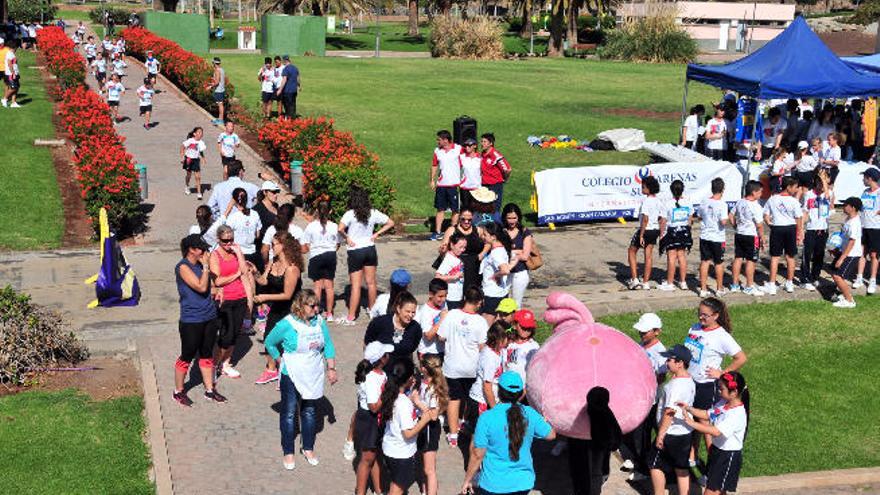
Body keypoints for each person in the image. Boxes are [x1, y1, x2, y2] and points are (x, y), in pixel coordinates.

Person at [265, 289, 338, 469]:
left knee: (310, 411)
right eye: (312, 306)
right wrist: (278, 358)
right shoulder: (287, 324)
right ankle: (288, 451)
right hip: (291, 374)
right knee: (289, 413)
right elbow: (269, 341)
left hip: (313, 373)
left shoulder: (319, 322)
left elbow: (328, 344)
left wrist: (331, 368)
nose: (316, 309)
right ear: (300, 305)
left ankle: (308, 448)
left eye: (317, 305)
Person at [461, 371, 556, 495]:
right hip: (523, 483)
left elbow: (477, 454)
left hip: (493, 484)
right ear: (521, 393)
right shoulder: (530, 413)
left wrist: (467, 480)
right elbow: (551, 435)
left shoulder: (487, 417)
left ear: (499, 392)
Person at [684, 297, 747, 465]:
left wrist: (722, 373)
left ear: (716, 316)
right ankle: (693, 455)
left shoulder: (721, 336)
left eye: (705, 315)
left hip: (706, 385)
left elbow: (740, 358)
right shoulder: (695, 328)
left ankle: (712, 463)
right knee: (694, 417)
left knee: (705, 422)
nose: (701, 318)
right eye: (699, 314)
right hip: (690, 381)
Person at [172, 234, 227, 406]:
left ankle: (210, 390)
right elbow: (200, 286)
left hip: (209, 316)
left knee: (206, 353)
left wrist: (217, 290)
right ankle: (178, 391)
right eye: (201, 249)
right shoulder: (183, 267)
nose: (205, 252)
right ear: (191, 250)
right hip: (191, 319)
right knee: (187, 355)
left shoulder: (201, 267)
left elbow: (208, 288)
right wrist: (205, 266)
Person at [679, 371, 750, 495]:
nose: (718, 391)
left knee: (712, 490)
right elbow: (707, 414)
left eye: (721, 389)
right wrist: (688, 408)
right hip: (717, 451)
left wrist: (692, 423)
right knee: (718, 490)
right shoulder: (724, 404)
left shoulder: (736, 414)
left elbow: (716, 432)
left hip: (727, 457)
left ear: (734, 393)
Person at [437, 287, 489, 447]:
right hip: (472, 367)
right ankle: (464, 423)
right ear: (479, 302)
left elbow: (440, 337)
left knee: (454, 399)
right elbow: (482, 347)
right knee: (468, 398)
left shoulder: (452, 314)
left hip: (452, 366)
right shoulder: (481, 321)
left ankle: (453, 435)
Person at [338, 187, 395, 325]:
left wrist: (347, 238)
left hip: (355, 251)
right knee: (371, 283)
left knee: (356, 285)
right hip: (370, 249)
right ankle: (372, 311)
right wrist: (377, 234)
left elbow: (340, 229)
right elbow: (390, 222)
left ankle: (351, 317)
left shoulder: (350, 214)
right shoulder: (373, 213)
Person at [253, 231, 303, 384]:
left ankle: (289, 375)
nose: (271, 247)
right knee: (269, 338)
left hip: (291, 310)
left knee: (289, 343)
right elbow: (264, 281)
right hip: (277, 308)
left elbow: (287, 295)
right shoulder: (273, 262)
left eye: (274, 244)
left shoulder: (292, 269)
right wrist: (254, 272)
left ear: (284, 246)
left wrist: (264, 298)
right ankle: (271, 369)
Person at [620, 313, 666, 481]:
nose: (641, 334)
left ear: (656, 332)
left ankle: (645, 469)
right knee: (635, 431)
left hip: (651, 400)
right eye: (640, 331)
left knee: (643, 435)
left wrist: (643, 376)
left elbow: (661, 376)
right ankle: (635, 459)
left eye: (645, 332)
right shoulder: (641, 344)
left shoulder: (660, 351)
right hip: (637, 396)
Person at [380, 359, 435, 495]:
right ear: (409, 378)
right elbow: (408, 434)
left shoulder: (392, 394)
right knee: (397, 488)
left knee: (395, 483)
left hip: (390, 448)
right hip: (401, 453)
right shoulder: (403, 403)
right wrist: (424, 420)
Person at [648, 344, 695, 495]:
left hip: (671, 433)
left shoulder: (676, 386)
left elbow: (670, 412)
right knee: (681, 468)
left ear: (680, 363)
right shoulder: (689, 380)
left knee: (655, 464)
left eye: (670, 359)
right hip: (684, 433)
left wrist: (661, 434)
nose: (666, 362)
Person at [209, 225, 253, 379]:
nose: (228, 244)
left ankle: (226, 363)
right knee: (225, 336)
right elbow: (218, 280)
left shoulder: (234, 253)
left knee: (235, 335)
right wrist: (236, 275)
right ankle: (214, 365)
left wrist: (239, 252)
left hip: (240, 297)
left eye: (231, 240)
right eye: (225, 241)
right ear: (218, 239)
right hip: (225, 299)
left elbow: (245, 271)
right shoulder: (214, 256)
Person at [353, 341, 393, 495]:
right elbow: (373, 407)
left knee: (375, 457)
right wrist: (388, 393)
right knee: (367, 460)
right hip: (369, 420)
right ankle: (360, 491)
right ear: (381, 359)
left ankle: (378, 490)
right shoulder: (370, 378)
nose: (389, 356)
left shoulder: (381, 374)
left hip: (376, 420)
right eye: (386, 354)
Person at [568, 387, 622, 495]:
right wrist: (609, 445)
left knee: (581, 473)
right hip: (598, 449)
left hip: (585, 447)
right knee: (595, 474)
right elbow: (616, 436)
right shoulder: (607, 413)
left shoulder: (584, 413)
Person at [763, 177, 804, 295]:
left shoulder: (772, 199)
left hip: (777, 228)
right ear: (788, 187)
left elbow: (766, 215)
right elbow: (799, 218)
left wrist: (770, 224)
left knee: (775, 257)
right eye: (795, 187)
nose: (796, 190)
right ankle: (789, 283)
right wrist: (800, 233)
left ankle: (772, 284)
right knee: (790, 256)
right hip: (790, 228)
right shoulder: (794, 201)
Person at [302, 201, 340, 320]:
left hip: (316, 256)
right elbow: (337, 244)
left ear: (317, 211)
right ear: (331, 211)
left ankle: (317, 313)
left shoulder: (311, 226)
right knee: (329, 287)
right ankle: (329, 314)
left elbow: (306, 244)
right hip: (330, 255)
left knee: (317, 287)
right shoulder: (334, 226)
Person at [417, 355, 448, 495]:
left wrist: (417, 402)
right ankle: (425, 490)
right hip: (422, 425)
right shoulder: (423, 382)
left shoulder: (433, 389)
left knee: (429, 469)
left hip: (430, 428)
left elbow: (434, 415)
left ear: (424, 368)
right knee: (424, 465)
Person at [467, 322, 509, 425]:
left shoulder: (501, 351)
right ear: (499, 339)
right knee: (479, 435)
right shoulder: (489, 358)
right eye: (507, 338)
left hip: (493, 399)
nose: (509, 340)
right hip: (482, 401)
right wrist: (494, 408)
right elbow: (487, 386)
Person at [363, 291, 421, 365]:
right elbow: (367, 343)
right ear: (398, 309)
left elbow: (412, 349)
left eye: (413, 312)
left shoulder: (415, 328)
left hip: (401, 370)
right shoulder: (380, 322)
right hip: (380, 368)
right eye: (407, 311)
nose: (410, 315)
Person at [440, 207, 487, 295]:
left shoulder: (478, 230)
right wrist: (443, 250)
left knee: (472, 292)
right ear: (459, 217)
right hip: (457, 264)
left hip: (474, 264)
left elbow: (489, 242)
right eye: (463, 219)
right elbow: (444, 248)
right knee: (457, 292)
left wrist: (482, 253)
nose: (466, 222)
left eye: (469, 220)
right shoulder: (452, 230)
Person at [627, 176, 663, 290]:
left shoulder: (647, 201)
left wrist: (641, 234)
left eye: (643, 187)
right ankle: (646, 282)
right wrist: (660, 231)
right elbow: (661, 218)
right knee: (648, 255)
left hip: (646, 229)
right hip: (655, 229)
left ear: (648, 188)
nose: (641, 188)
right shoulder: (658, 200)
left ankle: (635, 280)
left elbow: (645, 219)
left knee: (632, 251)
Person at [729, 181, 765, 296]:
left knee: (738, 258)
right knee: (751, 260)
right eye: (760, 192)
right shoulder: (756, 206)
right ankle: (749, 286)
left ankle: (734, 284)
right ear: (754, 192)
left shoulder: (740, 202)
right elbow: (759, 225)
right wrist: (762, 238)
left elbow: (731, 215)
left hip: (739, 234)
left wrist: (736, 226)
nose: (761, 194)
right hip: (751, 235)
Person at [801, 171, 833, 290]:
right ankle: (805, 278)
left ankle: (815, 277)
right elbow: (805, 211)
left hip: (823, 229)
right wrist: (801, 229)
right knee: (807, 255)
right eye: (818, 181)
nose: (820, 184)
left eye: (822, 181)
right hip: (811, 228)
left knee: (819, 255)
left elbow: (828, 197)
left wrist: (824, 180)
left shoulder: (828, 193)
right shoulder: (808, 194)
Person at [658, 180, 693, 291]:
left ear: (671, 190)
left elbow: (663, 221)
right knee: (682, 257)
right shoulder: (688, 202)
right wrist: (687, 229)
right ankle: (683, 282)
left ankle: (670, 283)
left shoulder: (667, 203)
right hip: (684, 231)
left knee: (671, 257)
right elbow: (690, 219)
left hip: (671, 232)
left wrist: (661, 234)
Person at [698, 178, 729, 297]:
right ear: (722, 190)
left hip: (705, 236)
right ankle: (719, 288)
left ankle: (703, 289)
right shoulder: (722, 204)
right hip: (717, 237)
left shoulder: (704, 201)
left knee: (705, 262)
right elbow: (723, 222)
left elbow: (700, 216)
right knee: (718, 263)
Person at [831, 197, 864, 308]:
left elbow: (852, 241)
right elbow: (844, 237)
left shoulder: (855, 223)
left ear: (853, 208)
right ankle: (843, 294)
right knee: (834, 272)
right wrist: (837, 249)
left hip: (851, 254)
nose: (843, 207)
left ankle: (849, 301)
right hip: (844, 252)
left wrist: (842, 258)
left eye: (845, 205)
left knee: (838, 276)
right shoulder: (848, 220)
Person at [430, 130, 463, 240]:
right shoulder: (437, 151)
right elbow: (434, 165)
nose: (437, 141)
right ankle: (438, 232)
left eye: (439, 139)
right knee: (440, 209)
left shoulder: (458, 149)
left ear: (446, 140)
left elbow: (466, 162)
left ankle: (453, 232)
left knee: (455, 209)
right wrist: (432, 180)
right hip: (441, 185)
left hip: (454, 185)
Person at [223, 188, 263, 271]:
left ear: (234, 200)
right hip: (253, 253)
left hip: (238, 255)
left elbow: (226, 236)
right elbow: (257, 235)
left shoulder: (232, 218)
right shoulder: (255, 214)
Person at [480, 222, 513, 322]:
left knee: (487, 325)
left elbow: (505, 270)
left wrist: (495, 275)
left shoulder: (496, 253)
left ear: (493, 237)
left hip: (492, 294)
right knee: (498, 324)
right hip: (499, 292)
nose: (483, 237)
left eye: (485, 235)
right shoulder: (501, 248)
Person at [502, 203, 533, 306]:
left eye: (514, 218)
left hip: (520, 272)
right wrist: (517, 251)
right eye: (509, 218)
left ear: (519, 217)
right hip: (504, 271)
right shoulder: (501, 231)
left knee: (516, 303)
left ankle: (516, 322)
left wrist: (512, 252)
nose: (512, 221)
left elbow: (525, 256)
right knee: (502, 302)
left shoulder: (524, 232)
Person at [855, 167, 880, 294]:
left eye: (864, 177)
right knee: (862, 252)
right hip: (863, 226)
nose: (863, 180)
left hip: (876, 228)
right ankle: (859, 277)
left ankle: (872, 280)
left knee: (874, 255)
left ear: (870, 178)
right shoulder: (865, 192)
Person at [505, 309, 539, 388]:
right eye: (523, 327)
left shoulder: (533, 346)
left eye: (529, 328)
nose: (526, 330)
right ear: (514, 325)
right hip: (506, 385)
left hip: (524, 387)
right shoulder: (508, 343)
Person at [415, 278, 448, 358]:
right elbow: (428, 336)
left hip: (441, 350)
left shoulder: (443, 304)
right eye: (440, 296)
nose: (443, 299)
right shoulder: (425, 311)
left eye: (445, 296)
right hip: (428, 353)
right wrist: (441, 320)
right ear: (430, 294)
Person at [480, 133, 512, 212]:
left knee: (494, 207)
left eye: (484, 142)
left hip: (495, 186)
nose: (482, 144)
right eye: (481, 141)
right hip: (484, 185)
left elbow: (508, 169)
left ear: (491, 143)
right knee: (485, 207)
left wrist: (505, 179)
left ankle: (496, 223)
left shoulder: (495, 155)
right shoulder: (483, 154)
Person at [435, 233, 465, 310]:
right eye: (460, 247)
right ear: (452, 245)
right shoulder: (449, 260)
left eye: (464, 247)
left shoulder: (456, 257)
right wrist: (454, 277)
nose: (463, 250)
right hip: (451, 297)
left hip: (457, 295)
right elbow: (437, 276)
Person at [181, 127, 207, 199]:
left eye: (201, 132)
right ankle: (187, 186)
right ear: (194, 134)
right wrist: (182, 157)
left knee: (198, 177)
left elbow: (201, 151)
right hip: (188, 159)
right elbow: (182, 147)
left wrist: (203, 158)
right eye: (199, 132)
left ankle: (199, 193)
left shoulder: (201, 142)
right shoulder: (190, 140)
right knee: (189, 175)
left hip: (196, 160)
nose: (200, 134)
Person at [253, 180, 280, 245]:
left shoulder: (277, 206)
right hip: (263, 245)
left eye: (277, 192)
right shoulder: (257, 209)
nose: (276, 195)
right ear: (265, 192)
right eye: (273, 192)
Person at [459, 138, 482, 210]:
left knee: (476, 209)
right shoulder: (462, 157)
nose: (467, 147)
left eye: (469, 145)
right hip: (464, 187)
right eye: (465, 146)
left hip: (477, 188)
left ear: (475, 146)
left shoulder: (481, 158)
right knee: (465, 209)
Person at [276, 54, 300, 120]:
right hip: (294, 91)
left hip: (287, 91)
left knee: (287, 106)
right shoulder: (295, 68)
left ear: (284, 61)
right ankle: (293, 118)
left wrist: (280, 90)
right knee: (293, 104)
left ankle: (288, 119)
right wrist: (298, 86)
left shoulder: (285, 69)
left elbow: (284, 80)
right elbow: (298, 78)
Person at [1, 41, 19, 108]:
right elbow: (9, 64)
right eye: (16, 48)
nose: (16, 49)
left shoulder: (12, 53)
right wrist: (13, 73)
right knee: (13, 88)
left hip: (15, 73)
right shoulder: (9, 54)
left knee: (17, 87)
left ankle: (13, 103)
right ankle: (4, 99)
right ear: (14, 48)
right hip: (10, 74)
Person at [210, 57, 226, 125]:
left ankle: (221, 120)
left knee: (220, 105)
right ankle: (219, 118)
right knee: (220, 104)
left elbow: (217, 82)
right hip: (221, 89)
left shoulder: (217, 70)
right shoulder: (221, 69)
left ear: (214, 63)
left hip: (218, 90)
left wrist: (210, 86)